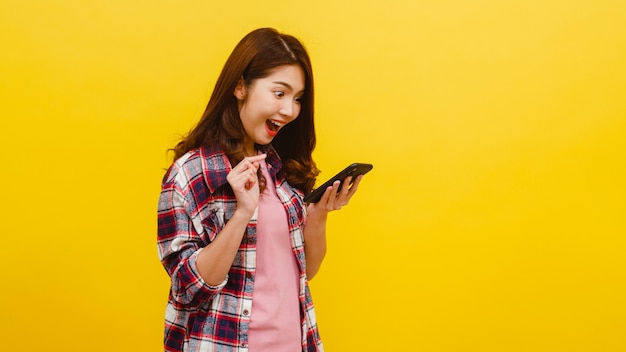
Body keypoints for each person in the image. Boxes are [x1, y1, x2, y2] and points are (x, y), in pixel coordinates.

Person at [157, 27, 363, 352]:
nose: (290, 110)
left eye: (297, 99)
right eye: (279, 93)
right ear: (240, 86)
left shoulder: (281, 171)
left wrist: (320, 214)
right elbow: (189, 288)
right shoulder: (191, 172)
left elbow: (305, 271)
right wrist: (241, 214)